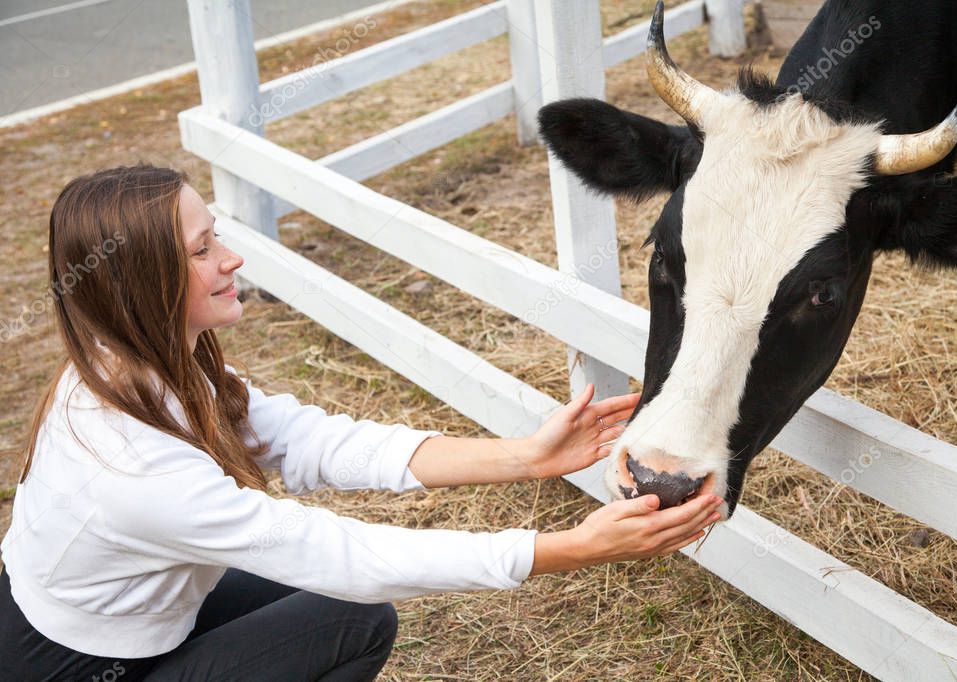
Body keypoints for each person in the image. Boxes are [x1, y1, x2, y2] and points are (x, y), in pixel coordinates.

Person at [0, 165, 722, 681]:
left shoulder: (133, 359)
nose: (231, 258)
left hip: (113, 618)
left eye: (214, 236)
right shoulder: (130, 464)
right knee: (355, 616)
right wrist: (564, 548)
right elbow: (337, 551)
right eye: (201, 251)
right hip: (81, 664)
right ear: (140, 281)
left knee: (334, 598)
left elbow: (314, 441)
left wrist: (525, 455)